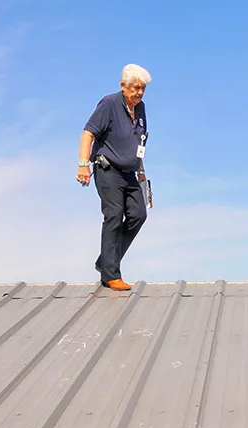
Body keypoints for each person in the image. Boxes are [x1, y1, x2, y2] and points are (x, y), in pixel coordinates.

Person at [77, 64, 152, 291]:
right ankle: (110, 274)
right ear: (123, 86)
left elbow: (139, 143)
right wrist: (83, 165)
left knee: (138, 214)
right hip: (107, 169)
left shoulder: (140, 109)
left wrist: (141, 173)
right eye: (135, 88)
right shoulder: (109, 104)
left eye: (143, 88)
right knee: (114, 214)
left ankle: (105, 261)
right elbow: (88, 133)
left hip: (130, 172)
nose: (139, 92)